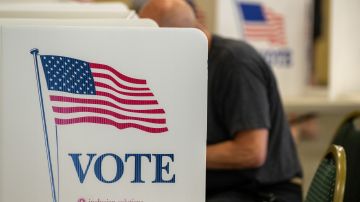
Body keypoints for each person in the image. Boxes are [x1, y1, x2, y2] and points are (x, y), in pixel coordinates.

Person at [139, 1, 303, 201]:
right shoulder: (190, 65)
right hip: (227, 188)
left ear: (176, 38)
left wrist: (175, 157)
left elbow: (251, 151)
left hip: (264, 192)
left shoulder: (236, 63)